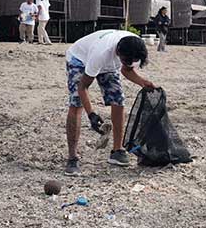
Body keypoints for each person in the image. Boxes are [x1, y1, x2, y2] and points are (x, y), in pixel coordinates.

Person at [64, 30, 156, 176]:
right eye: (126, 60)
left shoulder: (135, 45)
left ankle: (117, 151)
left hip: (108, 65)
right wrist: (92, 114)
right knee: (76, 104)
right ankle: (72, 158)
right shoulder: (101, 53)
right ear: (118, 53)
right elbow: (83, 87)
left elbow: (127, 69)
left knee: (118, 100)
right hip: (80, 59)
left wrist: (142, 82)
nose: (129, 63)